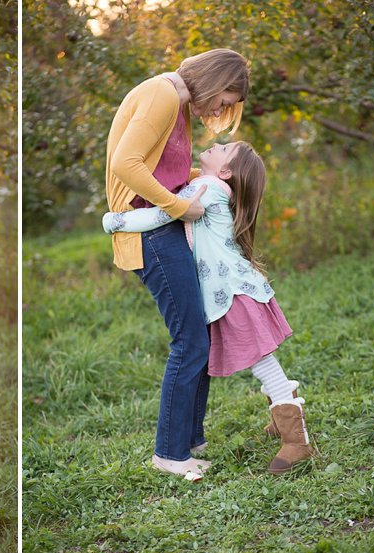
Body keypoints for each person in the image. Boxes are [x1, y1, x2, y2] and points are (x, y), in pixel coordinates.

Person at [103, 141, 312, 474]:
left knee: (263, 361)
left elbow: (164, 213)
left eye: (224, 147)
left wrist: (116, 222)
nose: (215, 143)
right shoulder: (213, 186)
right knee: (261, 359)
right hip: (232, 290)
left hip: (232, 294)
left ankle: (297, 440)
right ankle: (280, 419)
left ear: (226, 171)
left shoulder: (209, 188)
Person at [105, 48, 249, 478]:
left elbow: (159, 168)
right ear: (212, 78)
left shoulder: (176, 102)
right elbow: (124, 163)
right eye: (224, 99)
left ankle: (189, 439)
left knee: (197, 332)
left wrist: (186, 190)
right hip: (150, 231)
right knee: (189, 340)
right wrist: (176, 206)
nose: (220, 110)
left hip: (162, 225)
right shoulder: (162, 93)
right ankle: (170, 453)